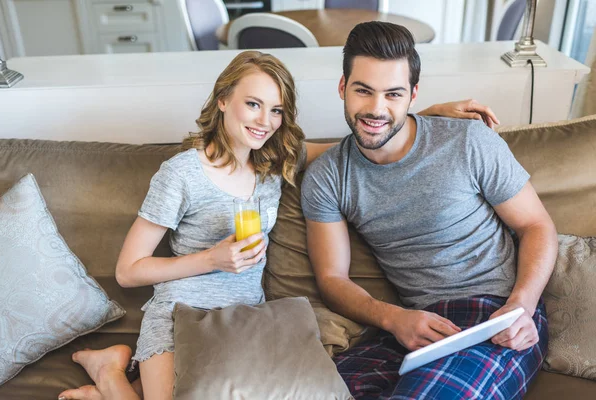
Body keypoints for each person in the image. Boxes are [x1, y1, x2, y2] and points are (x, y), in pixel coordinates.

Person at [57, 49, 500, 400]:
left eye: (276, 110)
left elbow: (359, 142)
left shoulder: (275, 163)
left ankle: (117, 375)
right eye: (253, 104)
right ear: (223, 99)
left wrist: (430, 114)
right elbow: (129, 270)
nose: (264, 122)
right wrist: (211, 258)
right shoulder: (181, 173)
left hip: (243, 318)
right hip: (180, 314)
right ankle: (110, 368)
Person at [301, 22, 558, 400]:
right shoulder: (327, 177)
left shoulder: (469, 141)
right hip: (413, 325)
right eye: (363, 91)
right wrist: (393, 318)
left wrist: (522, 304)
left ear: (412, 95)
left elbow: (537, 225)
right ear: (343, 88)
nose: (377, 108)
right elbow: (332, 278)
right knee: (307, 391)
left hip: (495, 316)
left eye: (393, 94)